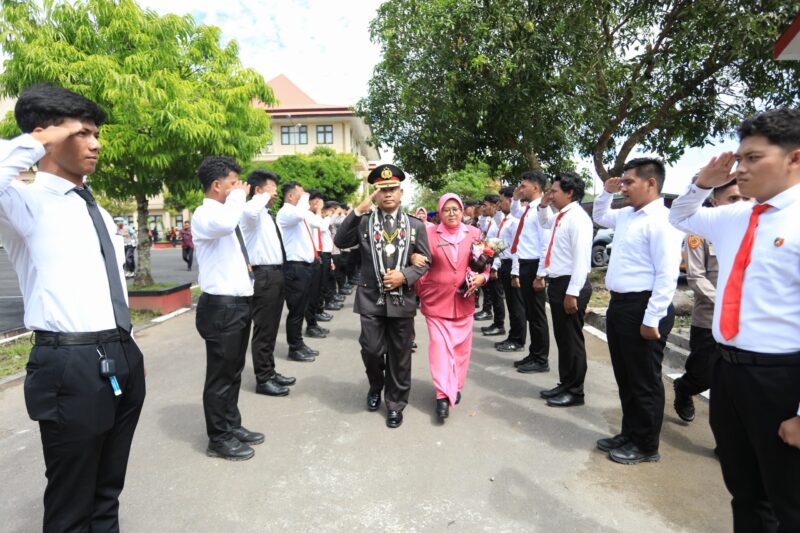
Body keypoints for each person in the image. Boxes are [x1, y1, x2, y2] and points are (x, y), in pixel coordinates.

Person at [0, 84, 146, 531]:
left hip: (121, 354)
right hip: (70, 364)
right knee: (71, 499)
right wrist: (36, 138)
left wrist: (129, 349)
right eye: (82, 133)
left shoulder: (96, 209)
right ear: (48, 136)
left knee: (107, 489)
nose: (96, 143)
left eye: (96, 133)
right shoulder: (23, 203)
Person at [669, 108, 800, 531]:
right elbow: (680, 216)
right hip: (728, 371)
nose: (740, 170)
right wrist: (702, 183)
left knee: (790, 500)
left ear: (794, 158)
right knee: (745, 491)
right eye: (738, 159)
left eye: (753, 158)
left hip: (781, 380)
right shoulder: (738, 215)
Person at [593, 157, 684, 465]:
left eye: (629, 182)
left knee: (644, 380)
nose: (624, 188)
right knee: (626, 377)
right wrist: (606, 191)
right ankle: (629, 433)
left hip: (644, 307)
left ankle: (646, 445)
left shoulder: (664, 221)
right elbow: (601, 215)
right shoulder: (629, 215)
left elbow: (667, 275)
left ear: (651, 183)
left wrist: (652, 317)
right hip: (621, 305)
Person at [334, 164, 431, 428]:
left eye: (392, 189)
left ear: (401, 192)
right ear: (376, 194)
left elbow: (425, 261)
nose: (388, 194)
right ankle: (376, 386)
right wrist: (357, 210)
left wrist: (405, 275)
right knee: (372, 350)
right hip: (371, 299)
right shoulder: (364, 221)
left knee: (400, 354)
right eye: (382, 190)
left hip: (402, 300)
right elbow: (341, 241)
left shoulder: (415, 225)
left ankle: (396, 404)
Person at [192, 156, 264, 461]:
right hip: (221, 307)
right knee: (220, 376)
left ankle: (231, 424)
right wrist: (237, 197)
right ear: (217, 185)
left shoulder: (228, 213)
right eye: (233, 183)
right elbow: (225, 224)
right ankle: (218, 438)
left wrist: (242, 199)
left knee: (233, 371)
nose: (239, 188)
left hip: (237, 304)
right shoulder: (205, 214)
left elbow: (239, 220)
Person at [673, 180, 750, 422]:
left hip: (745, 325)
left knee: (732, 385)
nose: (741, 205)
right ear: (715, 203)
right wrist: (730, 304)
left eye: (745, 198)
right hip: (709, 320)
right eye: (733, 199)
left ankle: (725, 443)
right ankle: (684, 389)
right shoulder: (699, 234)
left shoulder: (754, 231)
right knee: (702, 376)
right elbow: (696, 277)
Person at [415, 193, 488, 419]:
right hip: (436, 302)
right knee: (439, 348)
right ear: (440, 212)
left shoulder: (474, 234)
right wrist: (422, 289)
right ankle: (441, 395)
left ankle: (455, 386)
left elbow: (484, 264)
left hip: (464, 301)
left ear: (462, 210)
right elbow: (420, 264)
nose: (452, 213)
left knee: (460, 350)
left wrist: (482, 279)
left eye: (456, 208)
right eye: (446, 209)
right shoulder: (428, 234)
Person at [536, 172, 593, 407]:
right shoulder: (561, 216)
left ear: (570, 193)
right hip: (559, 283)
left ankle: (576, 391)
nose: (551, 194)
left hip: (572, 284)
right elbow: (544, 222)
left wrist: (573, 293)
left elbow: (581, 260)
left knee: (572, 341)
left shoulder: (578, 218)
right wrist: (543, 205)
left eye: (555, 191)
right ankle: (566, 383)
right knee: (563, 339)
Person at [240, 169, 296, 397]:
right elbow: (249, 209)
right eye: (271, 188)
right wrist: (263, 197)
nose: (275, 194)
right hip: (263, 276)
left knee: (271, 328)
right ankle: (263, 379)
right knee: (263, 329)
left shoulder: (266, 214)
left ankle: (270, 371)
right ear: (258, 190)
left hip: (275, 275)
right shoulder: (250, 212)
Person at [507, 172, 551, 373]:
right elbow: (515, 213)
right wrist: (515, 199)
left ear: (535, 188)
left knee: (537, 315)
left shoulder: (543, 210)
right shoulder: (528, 210)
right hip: (525, 264)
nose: (520, 188)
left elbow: (545, 246)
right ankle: (534, 353)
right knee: (531, 314)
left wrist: (541, 274)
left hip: (534, 266)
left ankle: (541, 359)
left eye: (523, 186)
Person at [276, 181, 323, 362]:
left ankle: (299, 343)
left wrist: (311, 205)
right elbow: (300, 213)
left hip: (305, 267)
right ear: (290, 196)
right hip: (295, 267)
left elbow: (318, 223)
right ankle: (294, 348)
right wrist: (305, 198)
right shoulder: (287, 212)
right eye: (301, 194)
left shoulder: (300, 213)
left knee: (301, 308)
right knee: (295, 311)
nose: (306, 198)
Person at [492, 187, 526, 353]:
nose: (499, 203)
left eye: (501, 200)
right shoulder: (506, 220)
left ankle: (518, 340)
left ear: (510, 200)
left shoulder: (516, 220)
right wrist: (495, 264)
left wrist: (516, 272)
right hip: (504, 263)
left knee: (517, 306)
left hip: (513, 264)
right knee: (512, 305)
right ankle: (513, 336)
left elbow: (518, 248)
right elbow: (501, 243)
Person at [478, 194, 506, 336]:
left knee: (497, 295)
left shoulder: (499, 222)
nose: (484, 208)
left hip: (496, 262)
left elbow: (499, 246)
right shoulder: (492, 221)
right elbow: (483, 227)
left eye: (486, 205)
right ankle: (495, 322)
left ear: (494, 206)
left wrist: (495, 266)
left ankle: (499, 324)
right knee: (492, 293)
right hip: (489, 259)